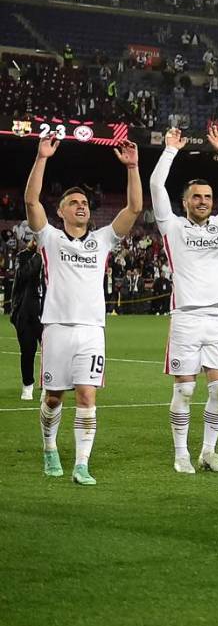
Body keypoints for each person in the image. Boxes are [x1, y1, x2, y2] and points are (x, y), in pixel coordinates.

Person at [26, 135, 142, 485]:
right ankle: (49, 448)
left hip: (92, 330)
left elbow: (134, 209)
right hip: (57, 327)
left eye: (85, 203)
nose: (81, 206)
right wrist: (41, 157)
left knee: (87, 394)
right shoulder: (50, 238)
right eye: (73, 202)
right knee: (53, 397)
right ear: (59, 211)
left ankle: (81, 463)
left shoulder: (102, 239)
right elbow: (31, 199)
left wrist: (134, 167)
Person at [151, 124, 218, 474]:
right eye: (197, 197)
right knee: (186, 391)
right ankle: (181, 454)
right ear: (185, 202)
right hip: (186, 318)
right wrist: (170, 150)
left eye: (207, 197)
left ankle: (208, 451)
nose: (203, 201)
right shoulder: (172, 227)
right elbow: (155, 186)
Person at [9, 236, 42, 400]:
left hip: (50, 313)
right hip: (26, 312)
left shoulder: (57, 258)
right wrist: (38, 256)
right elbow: (24, 274)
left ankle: (48, 386)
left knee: (52, 353)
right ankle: (27, 385)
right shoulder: (23, 256)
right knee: (28, 351)